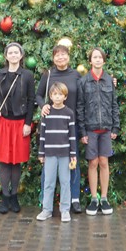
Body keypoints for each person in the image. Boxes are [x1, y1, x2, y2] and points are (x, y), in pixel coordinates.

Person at [0, 42, 35, 214]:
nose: (14, 55)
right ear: (6, 56)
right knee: (4, 161)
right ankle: (5, 197)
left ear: (21, 56)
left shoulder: (28, 75)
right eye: (11, 52)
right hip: (3, 122)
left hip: (20, 123)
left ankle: (14, 196)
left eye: (17, 52)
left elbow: (31, 101)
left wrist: (28, 123)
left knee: (16, 162)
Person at [36, 43, 82, 212]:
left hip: (71, 125)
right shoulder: (48, 75)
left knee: (73, 160)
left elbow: (84, 97)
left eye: (63, 54)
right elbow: (38, 95)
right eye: (57, 55)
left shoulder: (76, 75)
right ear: (53, 57)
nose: (60, 57)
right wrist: (43, 106)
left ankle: (74, 199)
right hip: (52, 126)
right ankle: (45, 201)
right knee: (49, 163)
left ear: (68, 57)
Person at [76, 47, 120, 216]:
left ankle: (104, 198)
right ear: (90, 61)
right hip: (91, 129)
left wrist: (115, 126)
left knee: (104, 162)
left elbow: (114, 105)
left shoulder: (109, 80)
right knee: (93, 163)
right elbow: (80, 107)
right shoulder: (83, 82)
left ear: (104, 60)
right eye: (94, 57)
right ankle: (94, 198)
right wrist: (83, 131)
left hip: (106, 128)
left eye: (100, 57)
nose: (97, 60)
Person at [37, 82, 77, 222]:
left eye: (60, 94)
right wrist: (41, 153)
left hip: (65, 154)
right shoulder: (46, 113)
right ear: (50, 96)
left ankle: (65, 210)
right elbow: (42, 135)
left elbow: (72, 136)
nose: (58, 97)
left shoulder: (69, 113)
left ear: (65, 97)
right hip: (49, 153)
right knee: (48, 182)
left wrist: (73, 155)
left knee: (65, 182)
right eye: (55, 94)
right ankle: (47, 209)